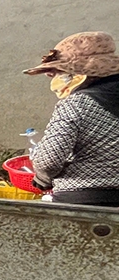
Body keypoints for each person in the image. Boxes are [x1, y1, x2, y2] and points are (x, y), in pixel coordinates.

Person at [24, 31, 119, 207]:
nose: (53, 78)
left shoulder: (76, 103)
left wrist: (42, 179)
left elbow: (50, 159)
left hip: (85, 202)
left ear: (78, 73)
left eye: (59, 72)